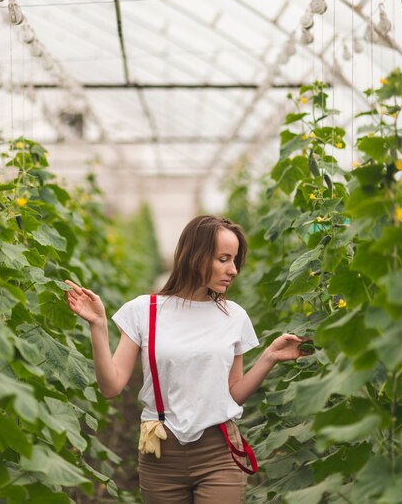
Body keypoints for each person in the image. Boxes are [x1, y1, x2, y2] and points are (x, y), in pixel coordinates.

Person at [65, 215, 307, 504]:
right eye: (223, 259)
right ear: (196, 257)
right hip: (160, 453)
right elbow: (111, 386)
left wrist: (269, 357)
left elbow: (232, 394)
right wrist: (98, 326)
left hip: (218, 450)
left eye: (235, 261)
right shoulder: (145, 310)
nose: (233, 270)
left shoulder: (234, 316)